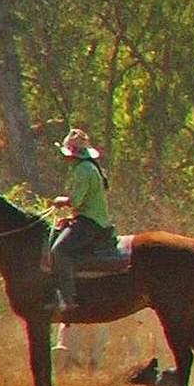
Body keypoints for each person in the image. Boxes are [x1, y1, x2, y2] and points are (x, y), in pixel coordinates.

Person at [47, 127, 116, 312]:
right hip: (90, 219)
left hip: (90, 223)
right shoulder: (89, 167)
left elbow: (77, 201)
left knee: (58, 250)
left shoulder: (82, 170)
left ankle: (67, 298)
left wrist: (62, 201)